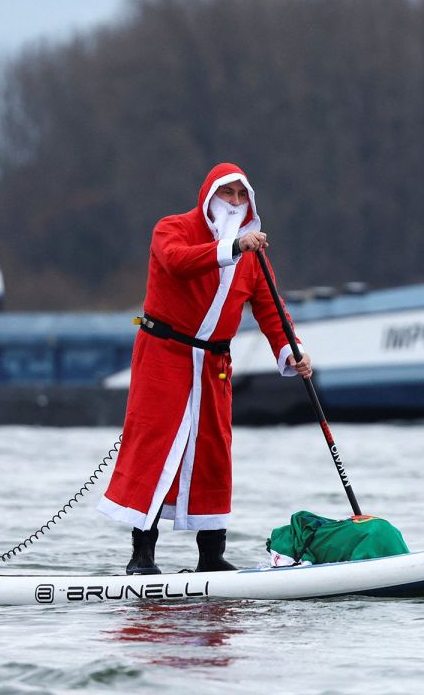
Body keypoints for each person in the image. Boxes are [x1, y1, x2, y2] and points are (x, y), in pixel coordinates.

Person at [98, 162, 312, 574]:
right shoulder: (172, 228)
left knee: (214, 452)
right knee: (157, 449)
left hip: (214, 363)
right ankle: (142, 556)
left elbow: (271, 308)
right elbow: (178, 261)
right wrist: (234, 247)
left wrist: (291, 350)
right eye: (227, 193)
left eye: (241, 195)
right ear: (209, 197)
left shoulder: (253, 254)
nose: (234, 201)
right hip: (165, 354)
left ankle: (211, 557)